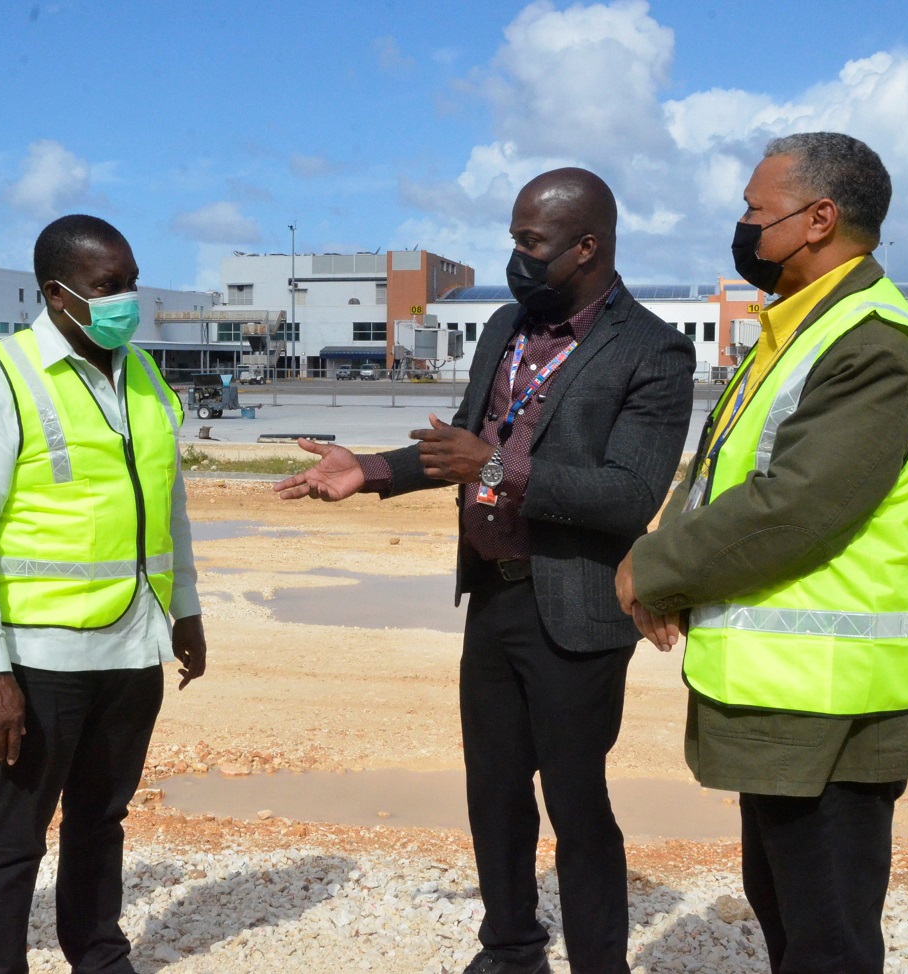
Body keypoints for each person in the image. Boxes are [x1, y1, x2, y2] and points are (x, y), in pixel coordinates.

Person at [275, 169, 694, 974]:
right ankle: (510, 950)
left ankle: (598, 964)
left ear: (586, 246)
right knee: (495, 795)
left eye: (530, 243)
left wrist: (497, 470)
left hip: (575, 611)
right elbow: (460, 445)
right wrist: (369, 469)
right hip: (494, 600)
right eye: (512, 238)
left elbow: (629, 495)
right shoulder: (507, 325)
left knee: (575, 805)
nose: (515, 256)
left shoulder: (652, 351)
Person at [616, 133, 908, 974]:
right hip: (786, 694)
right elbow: (722, 474)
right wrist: (679, 572)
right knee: (788, 916)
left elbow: (796, 507)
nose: (744, 227)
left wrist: (651, 568)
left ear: (818, 220)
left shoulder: (869, 340)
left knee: (826, 938)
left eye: (757, 213)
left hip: (832, 700)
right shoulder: (796, 329)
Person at [0, 214, 207, 974]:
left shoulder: (143, 373)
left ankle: (97, 953)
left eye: (130, 284)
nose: (127, 301)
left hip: (132, 645)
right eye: (107, 288)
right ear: (58, 295)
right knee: (16, 831)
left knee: (102, 819)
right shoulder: (0, 380)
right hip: (40, 657)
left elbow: (167, 505)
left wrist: (185, 610)